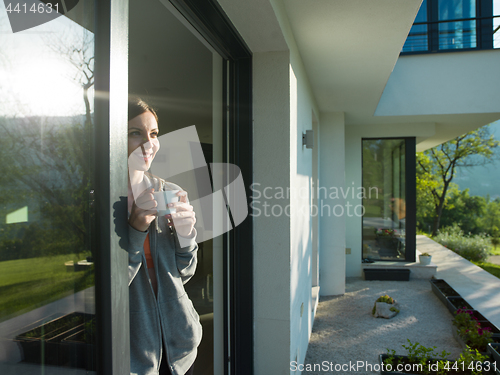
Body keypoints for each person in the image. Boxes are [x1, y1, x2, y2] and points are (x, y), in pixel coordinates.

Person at [127, 98, 201, 375]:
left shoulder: (169, 190)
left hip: (181, 346)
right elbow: (107, 287)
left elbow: (185, 271)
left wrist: (187, 236)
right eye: (135, 133)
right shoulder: (98, 203)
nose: (149, 144)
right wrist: (135, 229)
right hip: (135, 355)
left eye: (154, 134)